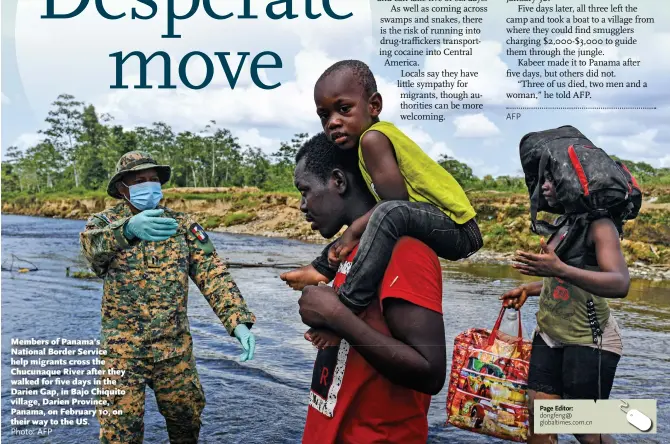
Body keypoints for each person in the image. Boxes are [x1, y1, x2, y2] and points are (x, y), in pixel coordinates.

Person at [282, 60, 483, 347]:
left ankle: (345, 308)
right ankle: (322, 268)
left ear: (374, 106)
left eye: (344, 109)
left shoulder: (373, 139)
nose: (333, 122)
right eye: (324, 116)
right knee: (373, 222)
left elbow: (395, 203)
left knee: (383, 216)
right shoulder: (370, 141)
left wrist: (352, 233)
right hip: (438, 222)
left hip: (459, 229)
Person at [79, 151, 257, 444]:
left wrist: (238, 321)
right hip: (122, 351)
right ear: (122, 187)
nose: (148, 185)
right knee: (118, 433)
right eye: (139, 181)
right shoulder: (104, 223)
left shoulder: (182, 224)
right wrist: (126, 230)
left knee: (186, 421)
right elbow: (91, 250)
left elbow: (212, 273)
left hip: (174, 348)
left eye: (153, 179)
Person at [291, 133, 447, 443]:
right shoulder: (349, 250)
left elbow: (430, 372)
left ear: (338, 181)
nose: (301, 205)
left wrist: (336, 316)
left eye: (305, 190)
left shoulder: (405, 250)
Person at [500, 169, 629, 444]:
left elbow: (619, 283)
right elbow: (560, 280)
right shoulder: (563, 224)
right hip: (550, 334)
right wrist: (529, 288)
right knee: (539, 419)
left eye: (551, 180)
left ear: (574, 184)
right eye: (542, 179)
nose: (544, 186)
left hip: (589, 338)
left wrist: (560, 268)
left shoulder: (600, 226)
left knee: (586, 430)